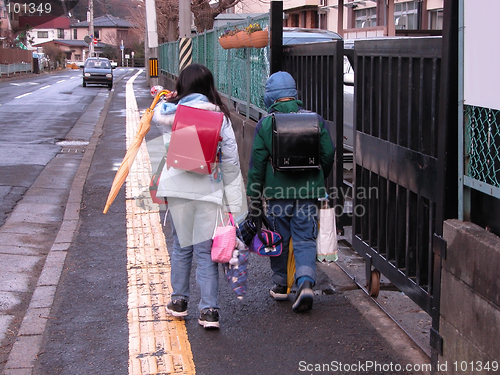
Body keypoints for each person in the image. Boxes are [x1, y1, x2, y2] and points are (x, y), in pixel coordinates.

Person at [152, 64, 243, 329]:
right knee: (205, 253)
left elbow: (158, 115)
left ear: (184, 86)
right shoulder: (221, 117)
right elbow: (231, 161)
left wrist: (167, 97)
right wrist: (233, 198)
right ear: (208, 87)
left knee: (181, 247)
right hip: (208, 192)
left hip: (178, 191)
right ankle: (209, 311)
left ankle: (179, 302)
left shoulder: (171, 113)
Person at [246, 71, 335, 312]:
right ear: (294, 94)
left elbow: (257, 166)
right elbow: (328, 153)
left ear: (270, 97)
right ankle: (305, 283)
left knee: (280, 239)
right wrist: (318, 177)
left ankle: (281, 285)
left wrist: (254, 199)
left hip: (277, 195)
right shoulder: (315, 120)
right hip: (308, 192)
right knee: (305, 238)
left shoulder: (266, 124)